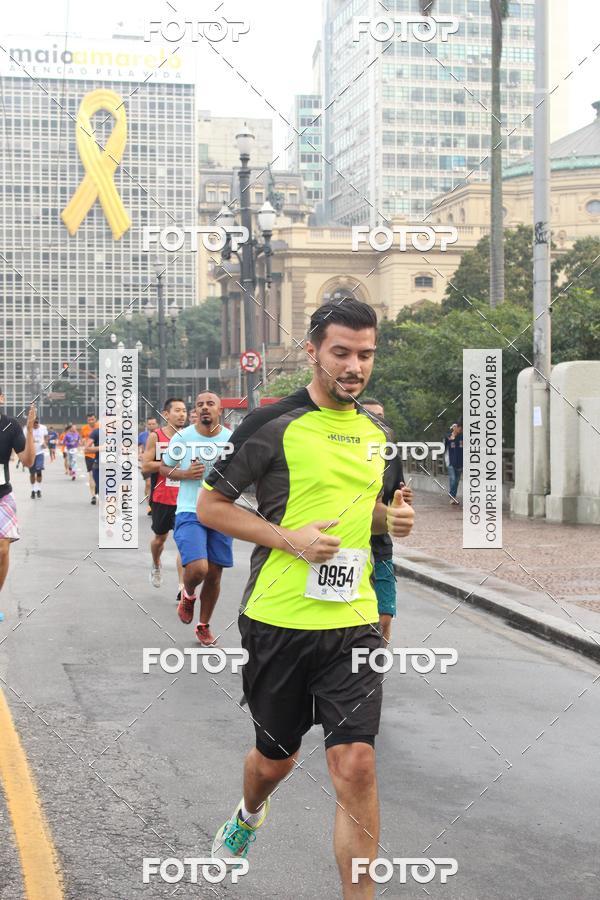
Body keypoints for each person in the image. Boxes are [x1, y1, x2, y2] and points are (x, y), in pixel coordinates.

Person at [198, 299, 414, 895]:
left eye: (365, 354)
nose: (354, 366)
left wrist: (389, 522)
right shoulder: (271, 424)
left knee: (357, 765)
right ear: (313, 351)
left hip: (354, 622)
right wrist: (288, 539)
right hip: (278, 619)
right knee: (274, 760)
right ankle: (248, 814)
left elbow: (373, 513)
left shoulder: (377, 433)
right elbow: (211, 506)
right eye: (341, 352)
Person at [160, 392, 233, 646]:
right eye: (200, 405)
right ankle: (188, 595)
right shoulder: (183, 437)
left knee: (214, 574)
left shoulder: (231, 440)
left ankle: (203, 626)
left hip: (221, 512)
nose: (204, 408)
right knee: (199, 568)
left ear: (219, 410)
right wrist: (184, 473)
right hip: (190, 510)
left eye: (210, 404)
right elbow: (163, 467)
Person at [361, 398, 414, 645]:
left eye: (381, 416)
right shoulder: (345, 454)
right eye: (371, 416)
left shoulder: (390, 453)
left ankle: (375, 669)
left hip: (381, 547)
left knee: (384, 617)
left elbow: (397, 500)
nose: (378, 421)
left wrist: (402, 505)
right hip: (349, 548)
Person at [141, 398, 187, 590]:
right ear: (166, 414)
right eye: (177, 410)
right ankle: (156, 563)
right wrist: (168, 466)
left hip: (185, 499)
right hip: (161, 497)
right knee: (160, 539)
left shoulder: (191, 436)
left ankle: (182, 587)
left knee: (184, 543)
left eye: (184, 410)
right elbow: (145, 465)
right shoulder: (156, 436)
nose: (182, 414)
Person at [0, 393, 36, 592]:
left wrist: (29, 429)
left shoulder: (10, 426)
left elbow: (28, 461)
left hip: (2, 495)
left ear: (2, 398)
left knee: (3, 548)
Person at [139, 417, 158, 515]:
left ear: (157, 424)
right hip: (146, 464)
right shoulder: (142, 435)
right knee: (148, 483)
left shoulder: (160, 434)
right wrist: (139, 454)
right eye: (149, 424)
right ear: (146, 425)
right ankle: (150, 506)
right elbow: (137, 447)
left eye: (153, 424)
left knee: (155, 485)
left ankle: (155, 504)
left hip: (157, 464)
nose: (151, 426)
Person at [26, 417, 48, 499]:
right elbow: (24, 439)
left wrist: (45, 443)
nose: (35, 424)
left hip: (40, 453)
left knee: (39, 471)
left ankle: (38, 488)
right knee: (32, 473)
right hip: (30, 454)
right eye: (34, 423)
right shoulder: (27, 429)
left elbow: (46, 436)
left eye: (37, 423)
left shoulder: (43, 428)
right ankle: (33, 489)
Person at [81, 414, 99, 504]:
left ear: (96, 419)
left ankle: (98, 489)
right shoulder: (84, 428)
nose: (91, 421)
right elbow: (83, 440)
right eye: (89, 420)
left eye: (92, 419)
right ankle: (93, 496)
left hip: (99, 455)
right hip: (88, 454)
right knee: (91, 474)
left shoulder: (100, 427)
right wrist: (84, 442)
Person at [445, 421, 463, 505]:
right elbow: (444, 448)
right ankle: (452, 497)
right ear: (454, 428)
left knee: (456, 481)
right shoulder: (448, 437)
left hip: (460, 463)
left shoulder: (462, 437)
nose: (461, 429)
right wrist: (452, 437)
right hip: (450, 462)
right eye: (459, 428)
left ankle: (453, 497)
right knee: (452, 480)